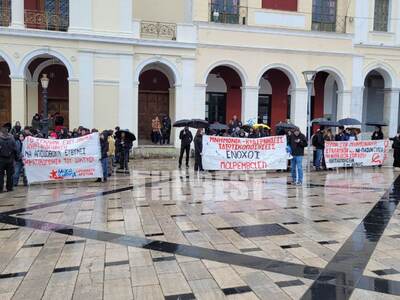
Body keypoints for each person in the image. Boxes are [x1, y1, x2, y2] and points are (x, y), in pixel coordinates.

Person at [0, 126, 17, 192]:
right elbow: (15, 149)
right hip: (10, 160)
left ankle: (0, 189)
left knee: (0, 175)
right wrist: (16, 158)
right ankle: (9, 188)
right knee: (10, 175)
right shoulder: (12, 138)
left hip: (1, 160)